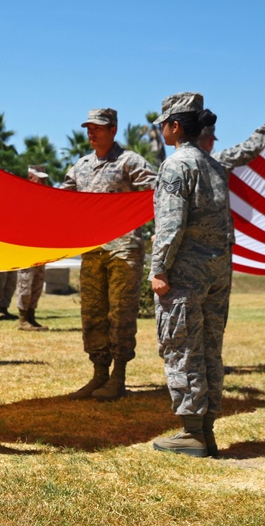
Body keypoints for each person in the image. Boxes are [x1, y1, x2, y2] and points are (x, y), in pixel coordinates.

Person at [147, 93, 230, 457]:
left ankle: (192, 433)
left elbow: (170, 225)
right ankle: (206, 430)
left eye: (163, 122)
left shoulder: (176, 165)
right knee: (210, 348)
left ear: (175, 126)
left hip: (184, 274)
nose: (161, 128)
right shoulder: (214, 165)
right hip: (216, 272)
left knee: (181, 347)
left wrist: (159, 269)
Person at [61, 108, 157, 401]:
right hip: (92, 250)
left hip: (123, 250)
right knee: (92, 313)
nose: (92, 133)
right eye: (89, 128)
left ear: (113, 129)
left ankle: (119, 376)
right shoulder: (81, 166)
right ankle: (99, 373)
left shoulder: (129, 161)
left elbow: (157, 188)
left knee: (121, 314)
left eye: (98, 128)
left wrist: (154, 224)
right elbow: (62, 200)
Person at [16, 166, 51, 332]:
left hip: (41, 246)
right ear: (30, 177)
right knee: (26, 281)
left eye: (44, 178)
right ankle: (23, 319)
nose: (43, 181)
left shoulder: (45, 198)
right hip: (26, 247)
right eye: (39, 178)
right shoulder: (23, 196)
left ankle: (31, 315)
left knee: (38, 281)